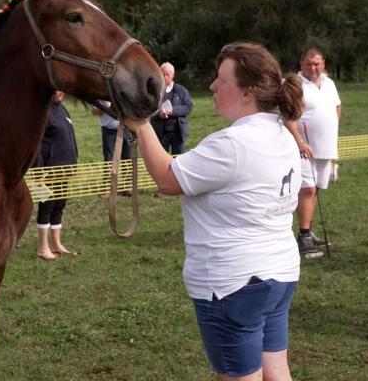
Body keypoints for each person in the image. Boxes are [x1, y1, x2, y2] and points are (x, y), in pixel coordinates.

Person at [123, 42, 303, 381]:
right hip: (279, 273)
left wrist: (140, 124)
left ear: (247, 91)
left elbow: (166, 178)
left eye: (222, 80)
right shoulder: (283, 136)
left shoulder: (231, 144)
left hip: (233, 283)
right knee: (277, 373)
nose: (212, 86)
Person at [285, 48, 341, 258]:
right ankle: (304, 235)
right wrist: (299, 141)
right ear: (301, 64)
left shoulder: (329, 83)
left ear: (323, 64)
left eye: (317, 63)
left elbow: (337, 107)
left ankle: (307, 229)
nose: (313, 67)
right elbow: (288, 116)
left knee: (316, 188)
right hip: (303, 148)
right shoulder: (295, 84)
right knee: (307, 188)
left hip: (326, 147)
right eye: (309, 63)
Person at [34, 91, 78, 261]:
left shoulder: (63, 109)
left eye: (62, 89)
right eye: (55, 89)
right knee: (47, 206)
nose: (59, 92)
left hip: (65, 168)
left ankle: (56, 244)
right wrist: (39, 171)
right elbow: (36, 144)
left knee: (59, 205)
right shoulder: (42, 112)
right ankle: (43, 247)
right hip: (48, 171)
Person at [150, 62, 193, 154]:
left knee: (177, 159)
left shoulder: (181, 90)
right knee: (161, 159)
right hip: (161, 132)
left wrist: (173, 111)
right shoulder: (154, 91)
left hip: (178, 132)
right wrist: (159, 114)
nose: (165, 77)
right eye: (162, 74)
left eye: (167, 75)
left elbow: (188, 107)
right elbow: (149, 109)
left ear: (173, 75)